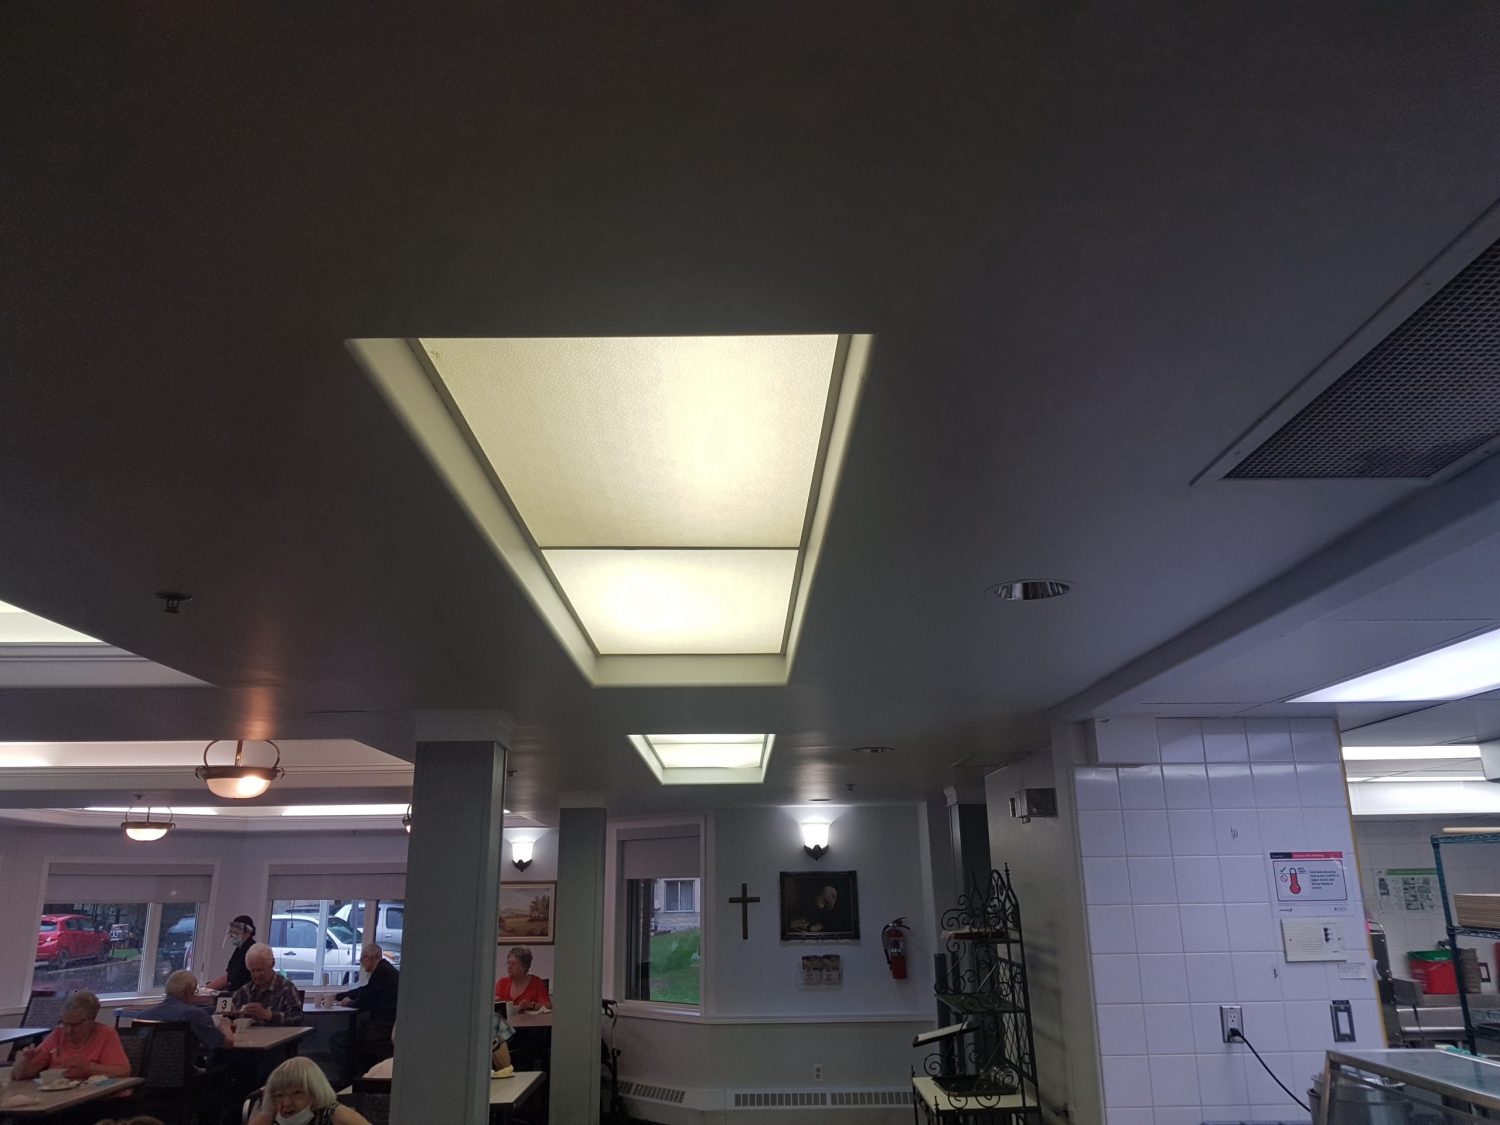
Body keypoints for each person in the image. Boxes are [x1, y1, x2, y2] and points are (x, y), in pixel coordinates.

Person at [11, 991, 130, 1081]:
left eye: (75, 1025)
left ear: (91, 1019)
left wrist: (89, 1067)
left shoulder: (105, 1034)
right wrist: (26, 1061)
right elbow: (19, 1076)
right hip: (62, 1095)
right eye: (65, 1023)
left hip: (98, 1097)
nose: (68, 1030)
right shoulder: (58, 1034)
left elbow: (123, 1071)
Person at [330, 945, 398, 1083]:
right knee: (353, 1037)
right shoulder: (386, 970)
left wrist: (348, 1003)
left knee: (337, 1040)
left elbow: (364, 1002)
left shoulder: (381, 972)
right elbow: (365, 991)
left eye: (362, 959)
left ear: (371, 958)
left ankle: (348, 1080)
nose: (361, 963)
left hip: (381, 1028)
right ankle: (358, 1076)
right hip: (387, 1026)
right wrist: (340, 995)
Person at [247, 1056, 370, 1125]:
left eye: (297, 1093)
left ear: (315, 1093)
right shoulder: (269, 1116)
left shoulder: (334, 1114)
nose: (286, 1103)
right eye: (279, 1095)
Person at [132, 969, 232, 1052]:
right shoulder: (195, 1014)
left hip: (149, 1069)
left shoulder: (143, 1015)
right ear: (189, 992)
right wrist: (225, 1027)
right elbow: (223, 1044)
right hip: (184, 1069)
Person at [230, 943, 304, 1026]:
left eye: (260, 970)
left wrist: (270, 1016)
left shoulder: (286, 988)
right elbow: (229, 1010)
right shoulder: (245, 990)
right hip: (250, 1034)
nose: (256, 975)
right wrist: (230, 1012)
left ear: (272, 964)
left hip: (278, 1033)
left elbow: (297, 1018)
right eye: (252, 971)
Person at [207, 914, 258, 992]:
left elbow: (229, 978)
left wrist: (205, 990)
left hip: (244, 994)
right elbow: (229, 975)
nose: (232, 935)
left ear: (248, 932)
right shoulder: (240, 949)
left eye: (236, 932)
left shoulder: (252, 950)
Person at [494, 946, 551, 1011]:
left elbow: (548, 1006)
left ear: (524, 967)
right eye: (508, 963)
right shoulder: (502, 982)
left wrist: (532, 1005)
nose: (509, 966)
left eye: (514, 964)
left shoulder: (537, 983)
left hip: (529, 1017)